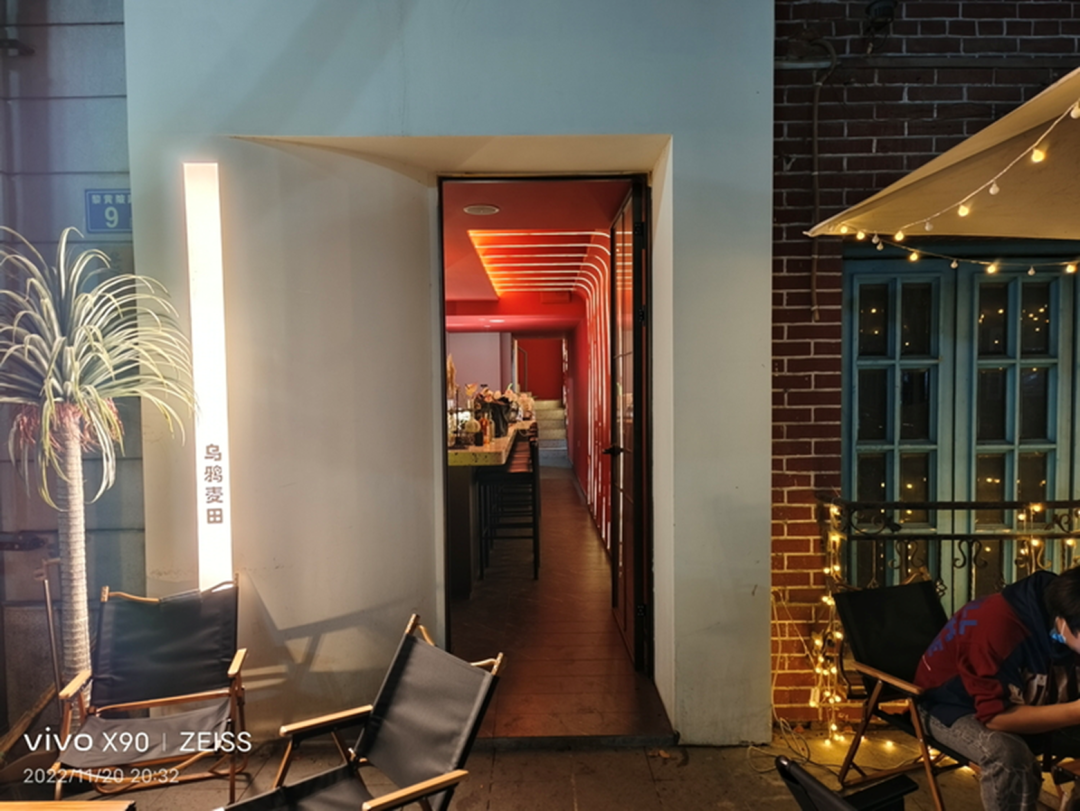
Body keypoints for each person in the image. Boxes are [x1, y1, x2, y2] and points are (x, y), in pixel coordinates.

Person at [915, 568, 1080, 811]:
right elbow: (995, 717)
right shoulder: (996, 624)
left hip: (1033, 699)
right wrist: (1075, 712)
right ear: (1063, 623)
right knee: (1009, 755)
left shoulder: (1068, 613)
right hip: (951, 704)